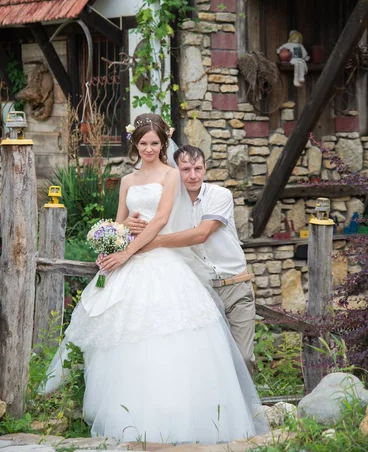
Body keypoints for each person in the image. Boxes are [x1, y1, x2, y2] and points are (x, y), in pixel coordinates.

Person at [44, 113, 268, 444]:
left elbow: (162, 219)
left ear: (163, 144)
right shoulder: (126, 181)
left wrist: (128, 251)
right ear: (134, 144)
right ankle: (129, 417)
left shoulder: (171, 175)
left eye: (155, 143)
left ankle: (184, 418)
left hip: (159, 263)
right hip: (131, 262)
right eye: (143, 143)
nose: (148, 148)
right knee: (126, 338)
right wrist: (113, 241)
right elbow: (119, 222)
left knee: (171, 337)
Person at [132, 145, 256, 374]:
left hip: (235, 285)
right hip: (201, 290)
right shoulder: (169, 204)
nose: (193, 175)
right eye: (186, 169)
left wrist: (157, 241)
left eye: (198, 168)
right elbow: (147, 220)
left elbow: (202, 233)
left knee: (244, 357)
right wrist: (129, 224)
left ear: (205, 168)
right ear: (175, 171)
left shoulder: (220, 195)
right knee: (209, 358)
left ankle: (247, 408)